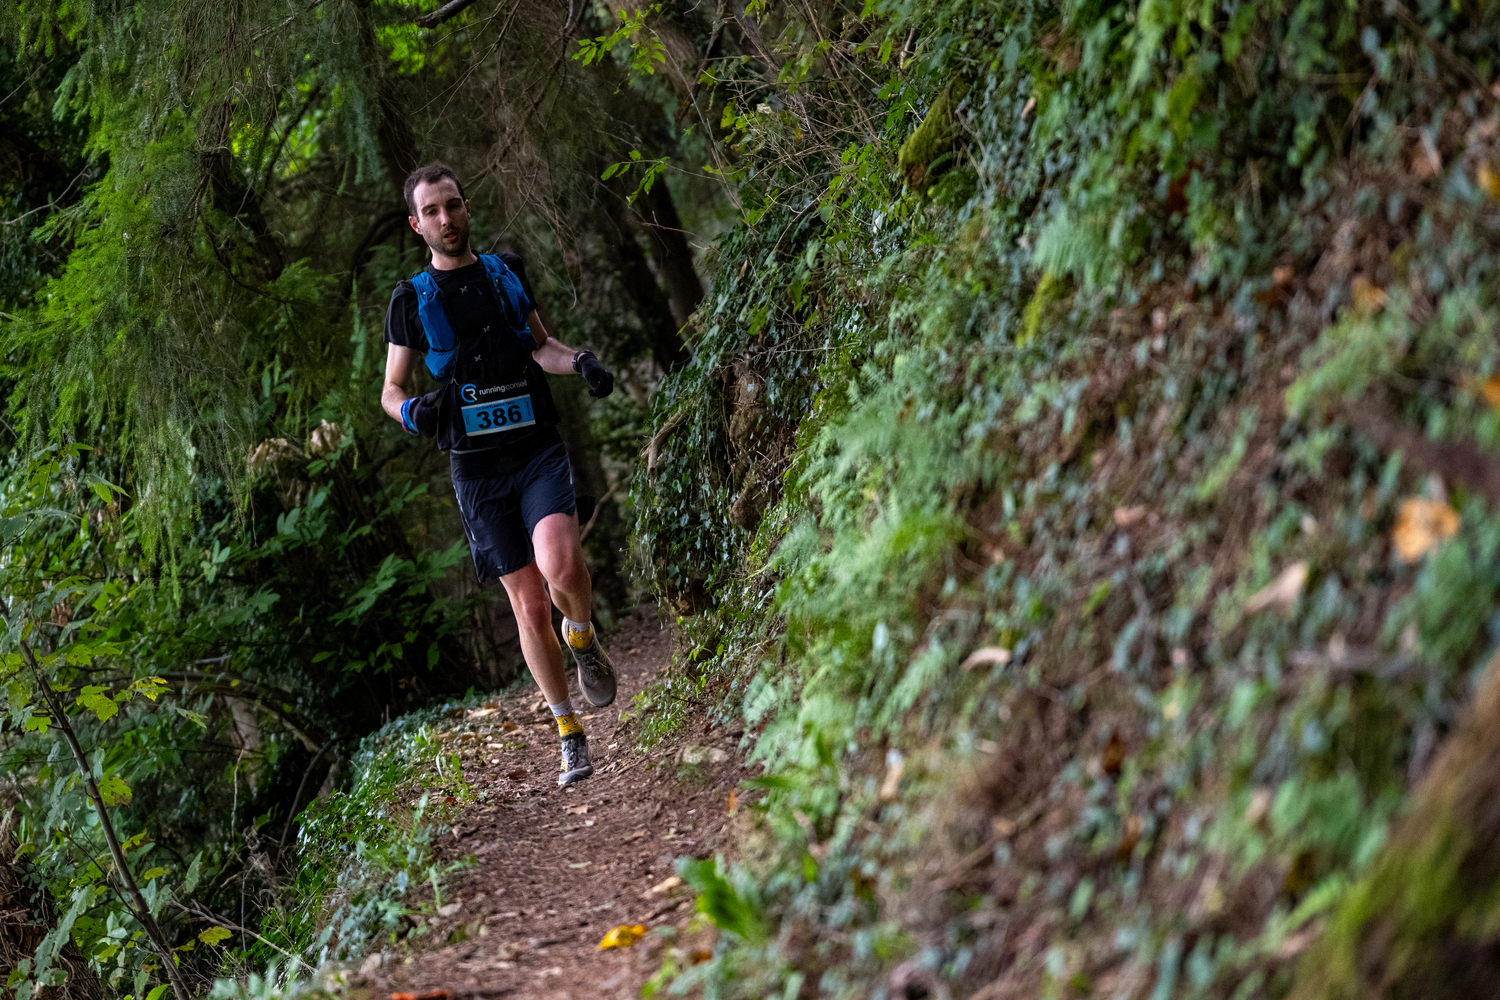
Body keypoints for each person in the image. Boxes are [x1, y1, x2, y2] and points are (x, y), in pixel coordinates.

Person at [381, 162, 618, 788]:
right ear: (416, 224)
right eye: (432, 211)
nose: (446, 218)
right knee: (529, 603)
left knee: (562, 567)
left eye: (453, 205)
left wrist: (582, 362)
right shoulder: (411, 300)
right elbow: (391, 390)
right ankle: (568, 731)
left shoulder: (504, 273)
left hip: (535, 446)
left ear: (466, 207)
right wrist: (413, 413)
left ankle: (582, 636)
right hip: (478, 471)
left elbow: (541, 346)